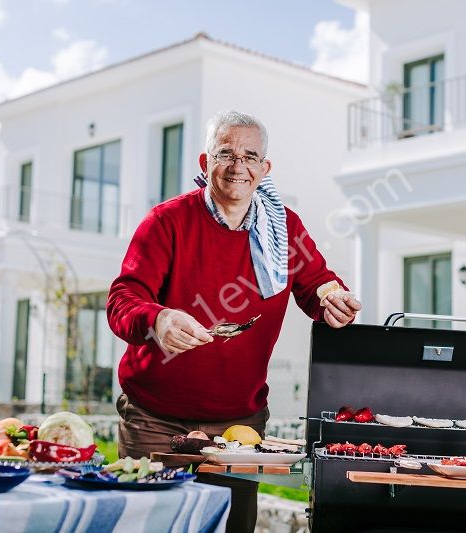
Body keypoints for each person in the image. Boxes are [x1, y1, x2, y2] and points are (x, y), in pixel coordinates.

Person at [107, 109, 361, 531]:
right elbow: (123, 298)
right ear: (206, 163)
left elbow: (317, 282)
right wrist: (159, 318)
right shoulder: (167, 221)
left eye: (249, 156)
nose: (238, 166)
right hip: (154, 416)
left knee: (232, 527)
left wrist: (333, 300)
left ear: (264, 168)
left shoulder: (283, 226)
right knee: (145, 525)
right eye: (226, 154)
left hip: (238, 424)